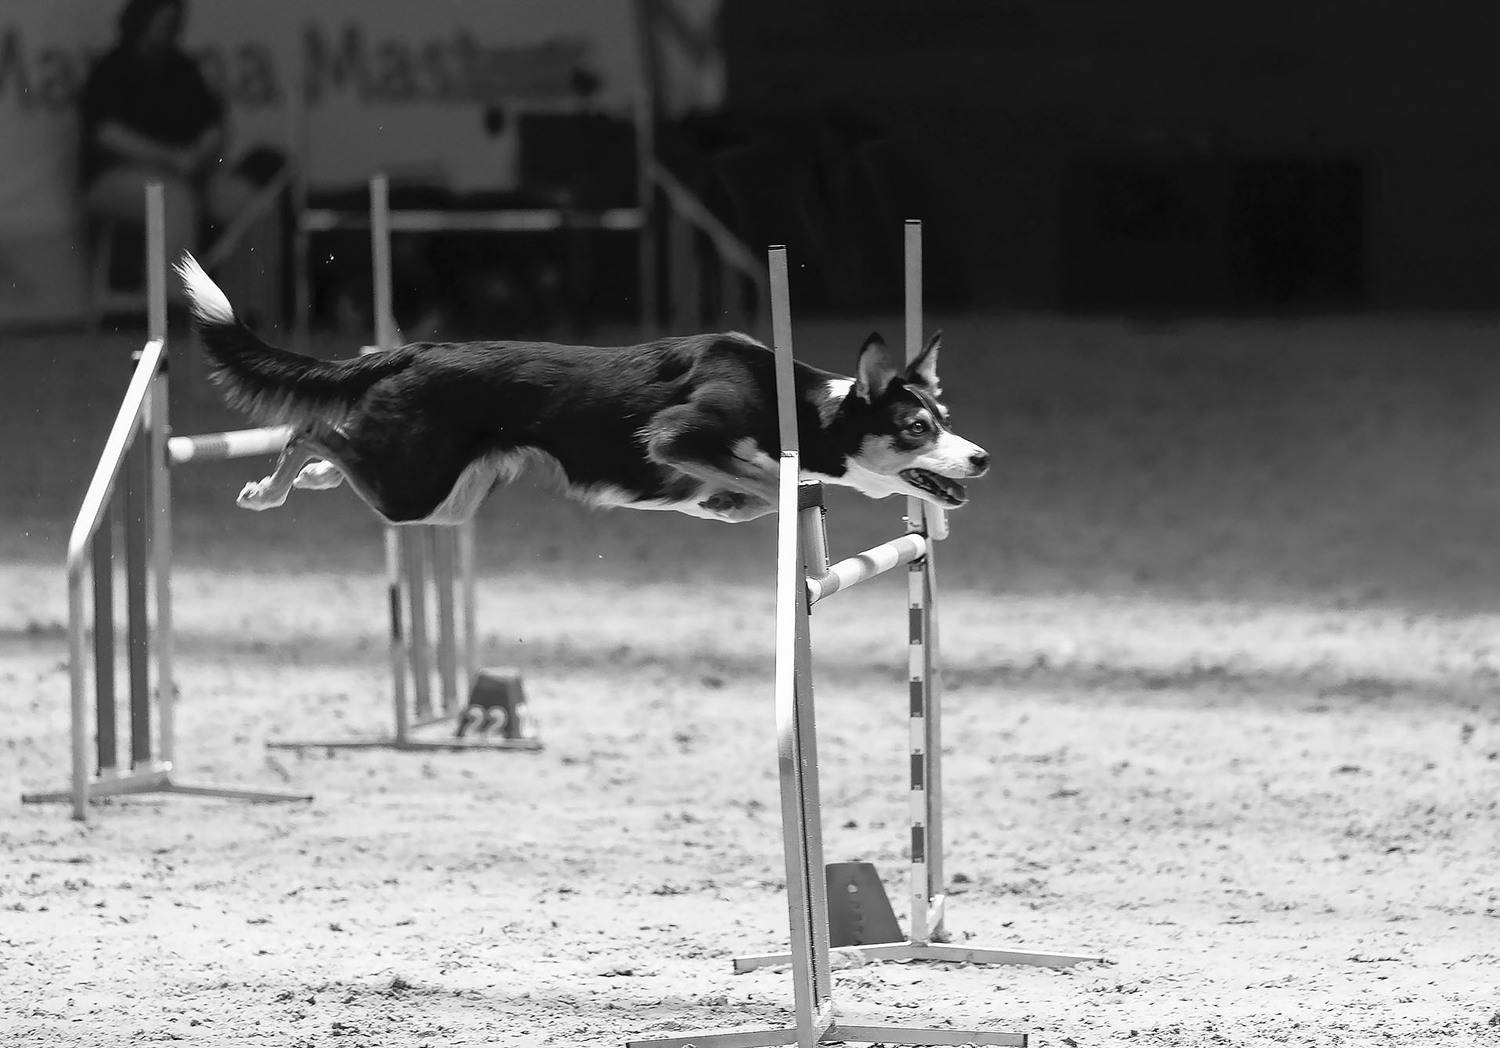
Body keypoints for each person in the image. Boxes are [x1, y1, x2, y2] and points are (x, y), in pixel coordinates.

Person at [80, 0, 251, 276]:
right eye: (163, 21)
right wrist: (169, 158)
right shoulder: (112, 68)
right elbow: (106, 134)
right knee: (172, 200)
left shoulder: (183, 69)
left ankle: (240, 289)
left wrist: (200, 153)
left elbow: (211, 126)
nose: (168, 29)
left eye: (173, 22)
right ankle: (177, 295)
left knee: (241, 199)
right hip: (116, 177)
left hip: (188, 174)